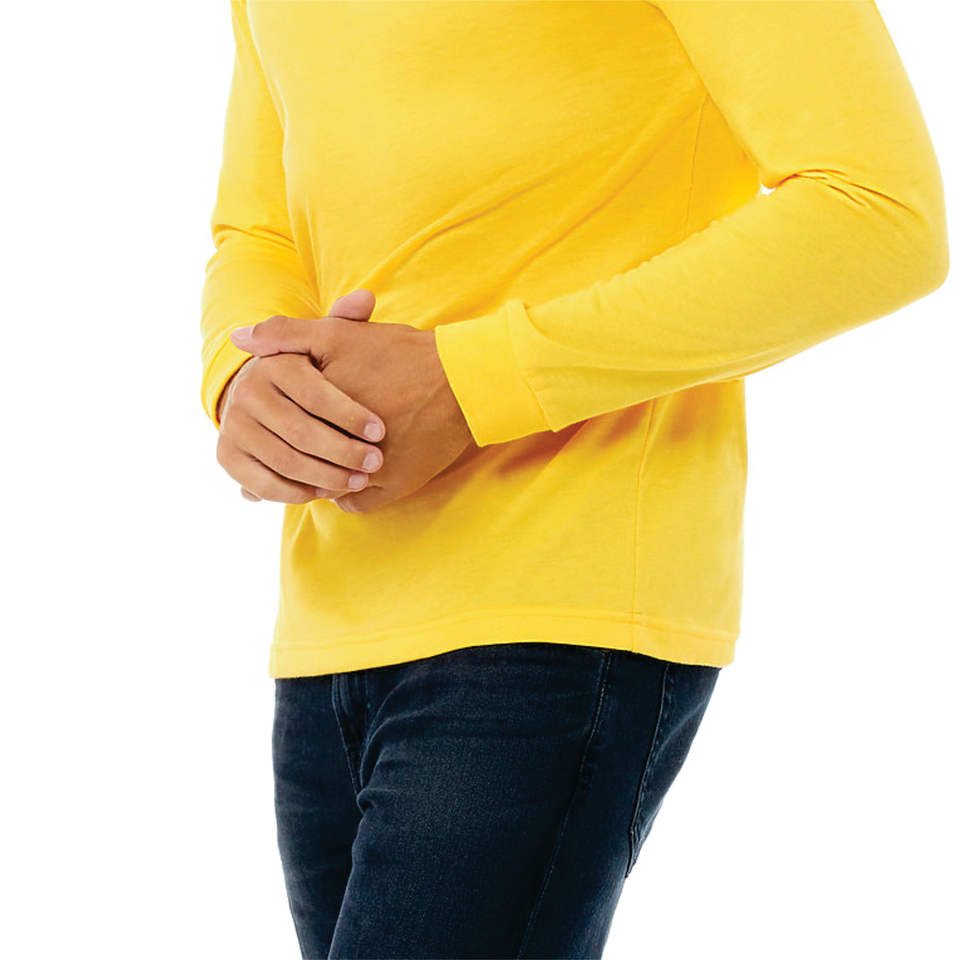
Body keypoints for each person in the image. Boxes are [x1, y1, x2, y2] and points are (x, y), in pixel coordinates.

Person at [199, 2, 948, 957]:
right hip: (332, 610)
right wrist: (242, 375)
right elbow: (258, 228)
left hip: (561, 590)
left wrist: (474, 382)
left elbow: (880, 212)